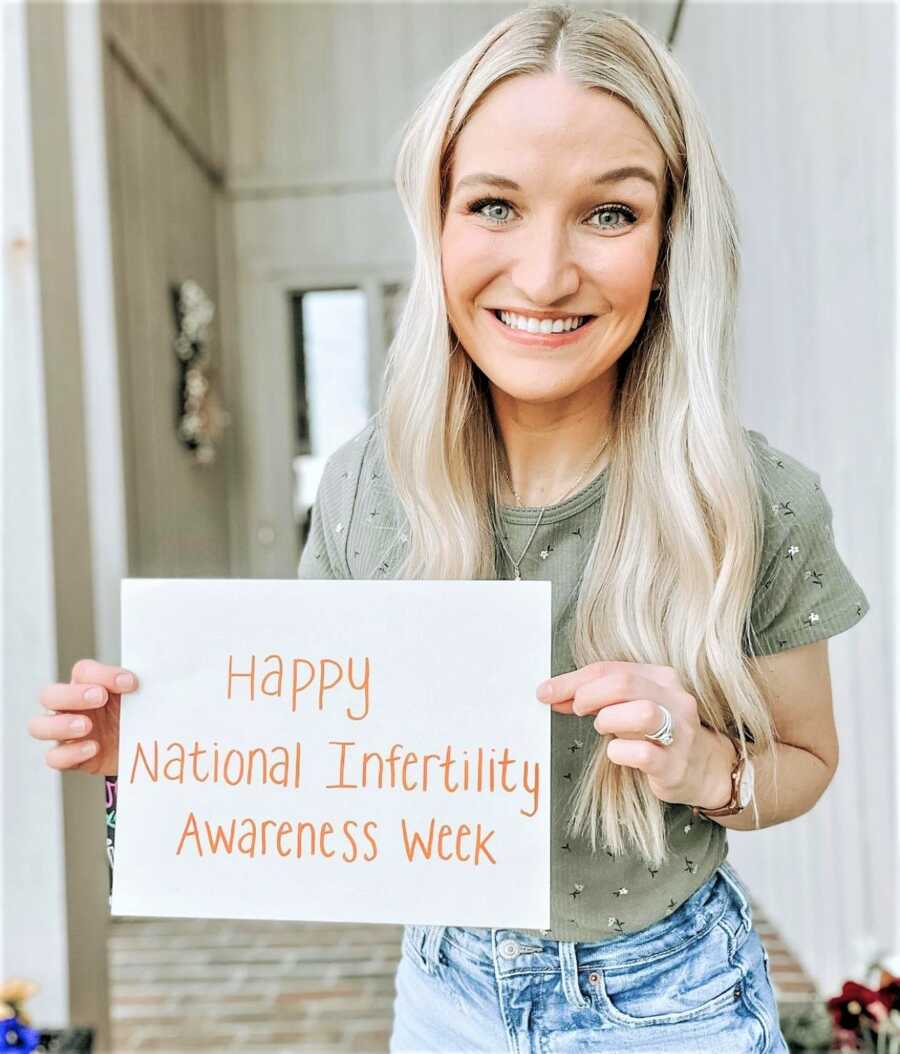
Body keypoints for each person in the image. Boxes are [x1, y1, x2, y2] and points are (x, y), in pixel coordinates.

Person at [29, 3, 871, 1051]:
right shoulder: (364, 488)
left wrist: (706, 766)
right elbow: (311, 760)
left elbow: (808, 757)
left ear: (669, 241)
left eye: (610, 213)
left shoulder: (757, 498)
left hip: (673, 999)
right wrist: (163, 758)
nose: (545, 273)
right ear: (435, 221)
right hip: (444, 992)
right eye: (495, 205)